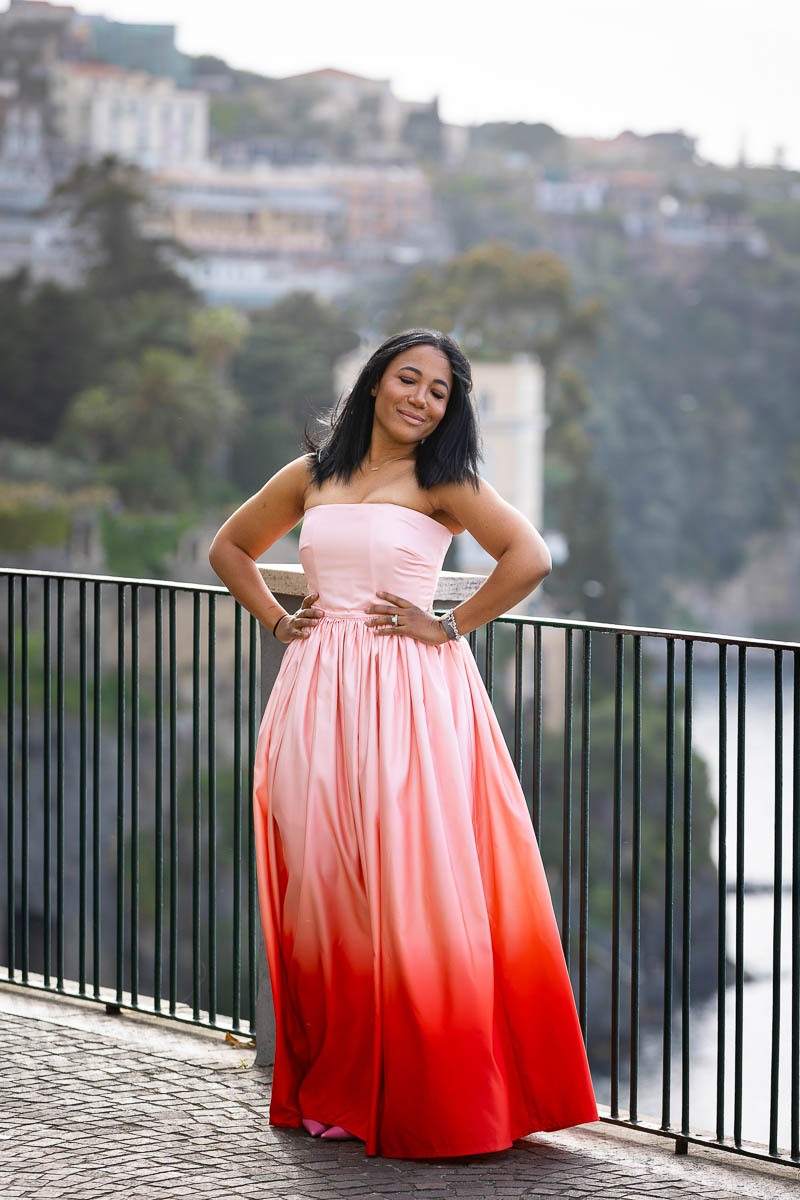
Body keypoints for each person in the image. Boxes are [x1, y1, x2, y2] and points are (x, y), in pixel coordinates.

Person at [208, 327, 599, 1159]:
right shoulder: (313, 475)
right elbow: (229, 548)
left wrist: (449, 624)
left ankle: (437, 1091)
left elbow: (527, 558)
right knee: (328, 890)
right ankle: (345, 1089)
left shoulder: (444, 479)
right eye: (408, 380)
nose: (420, 398)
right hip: (315, 695)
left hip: (411, 697)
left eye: (439, 392)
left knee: (412, 888)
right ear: (375, 384)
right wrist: (279, 620)